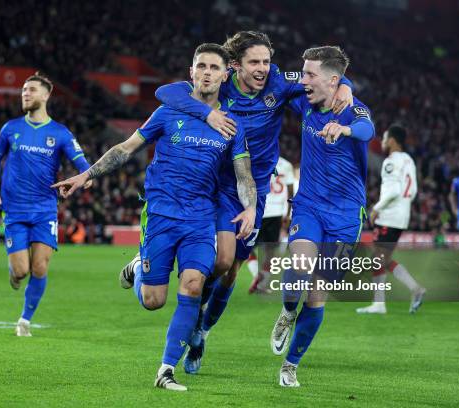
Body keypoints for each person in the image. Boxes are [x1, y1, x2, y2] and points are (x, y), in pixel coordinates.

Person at [52, 44, 256, 391]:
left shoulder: (232, 127)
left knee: (192, 285)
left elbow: (244, 175)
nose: (207, 72)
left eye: (214, 67)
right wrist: (86, 174)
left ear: (226, 75)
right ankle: (137, 267)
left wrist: (249, 206)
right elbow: (125, 148)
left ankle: (165, 370)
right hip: (161, 213)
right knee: (153, 301)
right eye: (201, 66)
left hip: (200, 217)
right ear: (191, 72)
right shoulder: (167, 112)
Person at [152, 31, 354, 375]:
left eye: (266, 61)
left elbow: (322, 73)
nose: (263, 68)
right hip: (216, 186)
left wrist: (345, 85)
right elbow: (165, 92)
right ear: (234, 66)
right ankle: (175, 288)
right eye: (254, 62)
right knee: (223, 258)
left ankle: (201, 330)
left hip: (253, 193)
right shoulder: (222, 84)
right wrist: (207, 113)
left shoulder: (280, 81)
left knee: (229, 272)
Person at [269, 46, 374, 387]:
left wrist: (343, 128)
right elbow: (276, 75)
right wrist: (345, 82)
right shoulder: (305, 99)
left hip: (345, 215)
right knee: (299, 266)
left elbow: (366, 130)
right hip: (310, 204)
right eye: (303, 73)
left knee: (318, 295)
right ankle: (287, 312)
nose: (303, 80)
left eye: (310, 74)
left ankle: (290, 365)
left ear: (331, 80)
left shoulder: (354, 110)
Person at [0, 72, 91, 337]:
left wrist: (85, 178)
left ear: (46, 95)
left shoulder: (61, 133)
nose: (25, 94)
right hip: (15, 208)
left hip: (44, 209)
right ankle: (14, 273)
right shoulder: (11, 129)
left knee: (40, 267)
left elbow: (82, 165)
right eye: (23, 90)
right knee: (21, 271)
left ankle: (24, 320)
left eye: (31, 90)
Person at [356, 124, 425, 315]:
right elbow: (412, 191)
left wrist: (376, 209)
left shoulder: (390, 162)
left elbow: (393, 191)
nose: (383, 142)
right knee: (381, 259)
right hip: (402, 214)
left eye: (385, 138)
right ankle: (411, 291)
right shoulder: (408, 161)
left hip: (389, 215)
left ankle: (383, 302)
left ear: (393, 140)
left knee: (378, 259)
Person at [247, 156, 295, 294]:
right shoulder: (286, 164)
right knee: (270, 252)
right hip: (276, 212)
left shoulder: (257, 159)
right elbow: (290, 192)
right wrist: (288, 213)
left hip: (258, 209)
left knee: (246, 248)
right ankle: (262, 283)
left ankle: (257, 274)